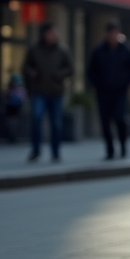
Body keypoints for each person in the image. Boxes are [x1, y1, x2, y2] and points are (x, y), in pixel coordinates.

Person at [87, 21, 130, 160]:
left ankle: (123, 145)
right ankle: (110, 150)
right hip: (103, 93)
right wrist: (96, 84)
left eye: (114, 33)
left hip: (120, 92)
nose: (112, 36)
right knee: (105, 122)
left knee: (120, 118)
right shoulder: (99, 51)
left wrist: (127, 82)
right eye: (110, 33)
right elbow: (91, 71)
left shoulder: (127, 49)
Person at [21, 22, 74, 162]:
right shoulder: (34, 50)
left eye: (55, 33)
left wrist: (59, 74)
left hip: (56, 92)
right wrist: (31, 74)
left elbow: (70, 69)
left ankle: (56, 152)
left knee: (56, 123)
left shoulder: (63, 50)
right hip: (39, 91)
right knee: (36, 120)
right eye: (50, 33)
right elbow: (25, 67)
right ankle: (36, 150)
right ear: (44, 34)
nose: (53, 35)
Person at [3, 74, 28, 144]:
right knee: (10, 123)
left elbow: (23, 99)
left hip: (15, 108)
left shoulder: (19, 90)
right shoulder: (10, 89)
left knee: (13, 123)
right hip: (10, 108)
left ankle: (13, 137)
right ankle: (11, 136)